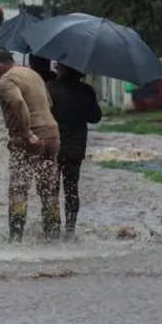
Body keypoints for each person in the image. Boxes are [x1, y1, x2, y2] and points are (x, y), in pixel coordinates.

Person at [0, 48, 61, 242]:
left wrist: (28, 133)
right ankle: (53, 237)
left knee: (18, 189)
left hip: (28, 139)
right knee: (49, 188)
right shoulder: (33, 74)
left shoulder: (7, 80)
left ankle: (15, 239)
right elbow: (50, 104)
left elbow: (19, 102)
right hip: (52, 135)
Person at [46, 63, 102, 240]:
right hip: (76, 148)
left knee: (51, 190)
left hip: (53, 145)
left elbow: (42, 113)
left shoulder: (50, 88)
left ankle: (52, 230)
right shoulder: (86, 90)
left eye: (58, 65)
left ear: (63, 68)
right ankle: (70, 230)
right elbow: (95, 117)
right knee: (72, 190)